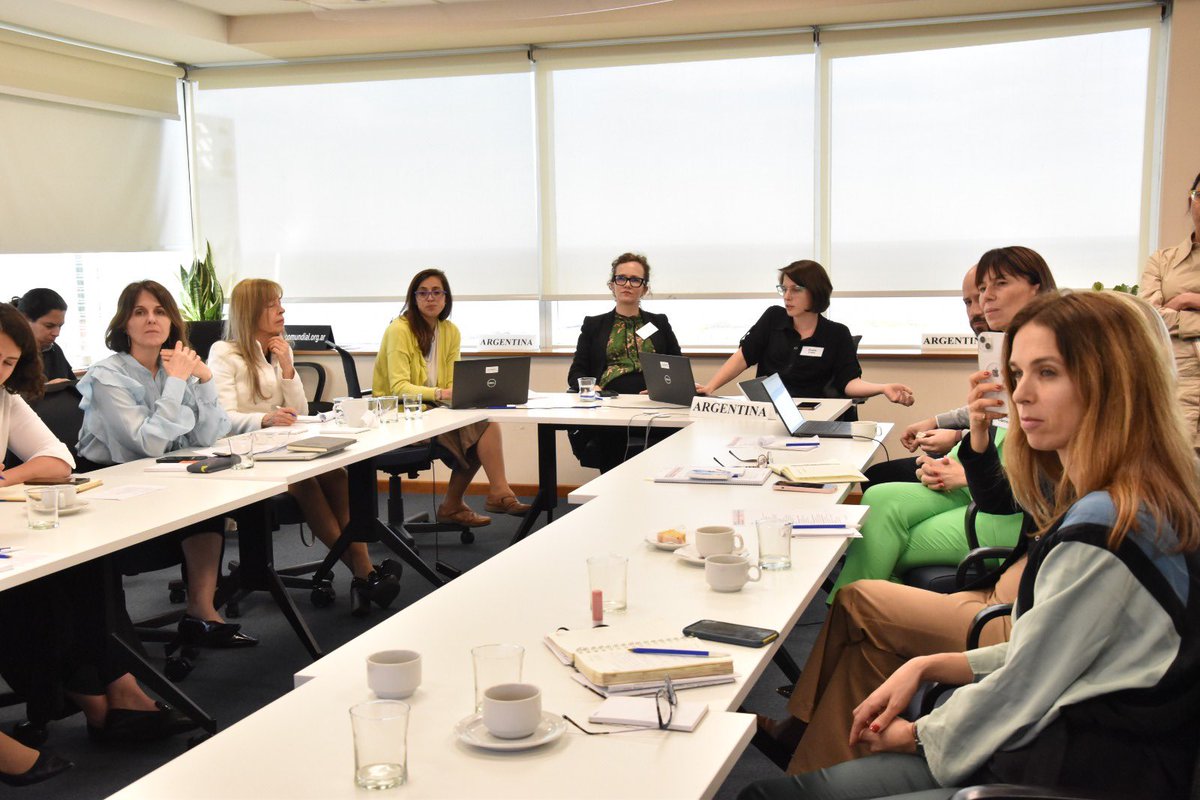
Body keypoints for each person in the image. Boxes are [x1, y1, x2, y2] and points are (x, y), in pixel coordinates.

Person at [741, 291, 1200, 800]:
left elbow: (1027, 683)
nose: (1021, 394)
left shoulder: (1106, 527)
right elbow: (1045, 653)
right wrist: (927, 664)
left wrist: (917, 736)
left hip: (1072, 764)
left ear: (1117, 384)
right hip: (1086, 741)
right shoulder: (1140, 491)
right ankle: (812, 757)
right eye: (1019, 373)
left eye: (1047, 373)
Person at [0, 303, 193, 785]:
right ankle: (94, 697)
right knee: (30, 588)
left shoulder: (4, 399)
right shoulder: (110, 375)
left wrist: (8, 475)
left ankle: (113, 683)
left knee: (85, 561)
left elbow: (57, 461)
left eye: (5, 363)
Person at [827, 247, 1056, 598]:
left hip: (1016, 512)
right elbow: (998, 429)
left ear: (1036, 288)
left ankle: (853, 616)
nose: (984, 300)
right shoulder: (1000, 349)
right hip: (995, 487)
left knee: (881, 544)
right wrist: (967, 444)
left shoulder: (1052, 358)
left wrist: (965, 470)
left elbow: (1042, 472)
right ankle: (861, 619)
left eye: (999, 284)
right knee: (880, 499)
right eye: (978, 293)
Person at [77, 280, 256, 649]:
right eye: (139, 312)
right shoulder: (107, 375)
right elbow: (147, 442)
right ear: (123, 324)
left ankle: (201, 612)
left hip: (160, 477)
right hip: (109, 488)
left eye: (159, 311)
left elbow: (210, 435)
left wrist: (204, 380)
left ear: (172, 322)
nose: (151, 320)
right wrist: (177, 383)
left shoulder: (174, 366)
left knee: (210, 502)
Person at [209, 279, 400, 616]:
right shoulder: (224, 354)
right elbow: (222, 417)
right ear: (251, 310)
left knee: (338, 477)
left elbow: (301, 410)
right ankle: (365, 573)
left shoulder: (280, 348)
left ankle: (363, 574)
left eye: (280, 303)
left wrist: (286, 368)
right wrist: (264, 420)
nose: (281, 310)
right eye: (272, 304)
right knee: (305, 483)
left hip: (282, 447)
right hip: (244, 453)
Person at [372, 269, 531, 528]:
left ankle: (491, 495)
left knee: (484, 422)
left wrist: (466, 393)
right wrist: (440, 394)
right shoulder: (399, 330)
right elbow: (399, 387)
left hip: (434, 410)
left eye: (437, 292)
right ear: (413, 298)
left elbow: (452, 382)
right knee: (479, 432)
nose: (430, 298)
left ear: (446, 298)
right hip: (400, 414)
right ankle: (476, 499)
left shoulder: (450, 331)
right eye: (423, 293)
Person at [698, 260, 914, 411]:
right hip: (766, 411)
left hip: (813, 416)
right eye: (784, 289)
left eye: (796, 289)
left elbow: (848, 383)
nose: (787, 297)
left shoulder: (836, 333)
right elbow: (744, 356)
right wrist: (711, 387)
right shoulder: (773, 317)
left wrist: (883, 388)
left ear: (816, 291)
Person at [861, 264, 989, 490]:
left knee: (878, 483)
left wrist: (957, 437)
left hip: (988, 471)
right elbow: (985, 410)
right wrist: (936, 422)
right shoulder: (992, 346)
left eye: (982, 298)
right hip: (976, 459)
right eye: (968, 302)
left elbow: (1005, 428)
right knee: (877, 478)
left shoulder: (1014, 349)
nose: (975, 311)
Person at [566, 252, 683, 472]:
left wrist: (663, 388)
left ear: (644, 288)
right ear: (612, 285)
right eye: (621, 278)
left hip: (654, 403)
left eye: (635, 279)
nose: (627, 284)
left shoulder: (659, 322)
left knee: (661, 457)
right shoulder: (594, 325)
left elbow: (677, 365)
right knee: (613, 446)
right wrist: (595, 388)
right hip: (610, 404)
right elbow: (577, 371)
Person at [1141, 170, 1200, 448]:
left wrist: (1187, 299)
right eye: (1199, 195)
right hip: (1177, 383)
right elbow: (1150, 318)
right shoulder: (1162, 261)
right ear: (1191, 202)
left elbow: (1165, 315)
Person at [13, 288, 73, 382]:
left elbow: (76, 388)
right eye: (49, 326)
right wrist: (47, 389)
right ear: (24, 318)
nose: (57, 333)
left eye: (60, 326)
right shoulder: (8, 353)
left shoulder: (54, 349)